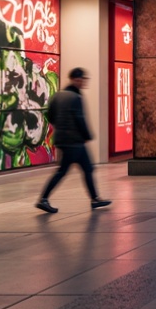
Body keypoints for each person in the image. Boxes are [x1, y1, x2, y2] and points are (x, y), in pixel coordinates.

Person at [35, 68, 110, 213]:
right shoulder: (75, 97)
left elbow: (50, 116)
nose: (83, 82)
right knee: (64, 171)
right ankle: (43, 199)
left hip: (64, 140)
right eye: (82, 79)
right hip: (74, 141)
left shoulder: (57, 96)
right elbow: (80, 119)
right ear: (76, 79)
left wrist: (60, 127)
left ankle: (94, 199)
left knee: (87, 169)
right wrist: (87, 135)